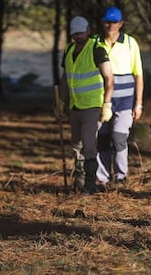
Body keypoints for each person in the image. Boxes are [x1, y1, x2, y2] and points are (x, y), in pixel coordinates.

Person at [56, 16, 114, 194]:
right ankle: (79, 181)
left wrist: (106, 104)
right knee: (76, 145)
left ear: (88, 31)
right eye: (75, 34)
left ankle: (90, 184)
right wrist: (60, 102)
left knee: (89, 145)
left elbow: (109, 78)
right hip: (74, 105)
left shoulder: (97, 49)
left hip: (92, 105)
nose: (78, 37)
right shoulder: (69, 49)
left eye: (81, 33)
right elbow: (65, 78)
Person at [94, 6, 144, 187]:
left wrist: (138, 104)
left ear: (121, 23)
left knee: (119, 138)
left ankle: (121, 176)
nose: (110, 25)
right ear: (102, 22)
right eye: (107, 21)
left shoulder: (131, 43)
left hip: (125, 101)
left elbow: (138, 75)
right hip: (101, 99)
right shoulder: (95, 42)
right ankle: (102, 178)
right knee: (102, 139)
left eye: (114, 22)